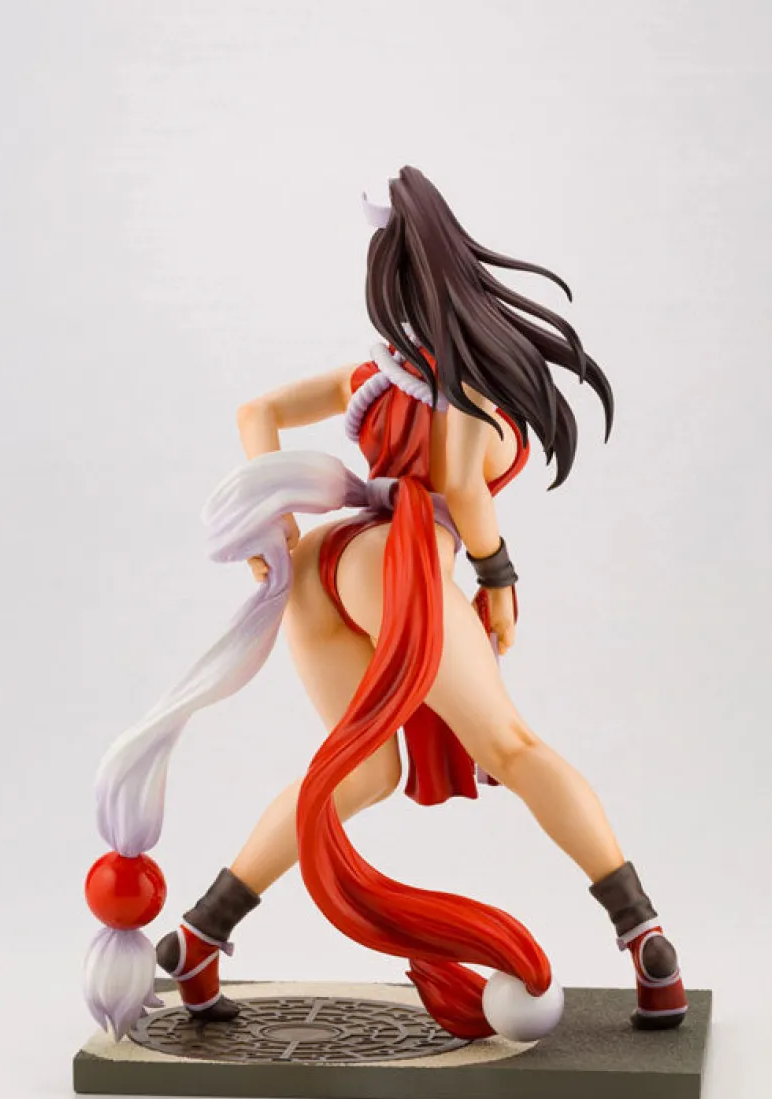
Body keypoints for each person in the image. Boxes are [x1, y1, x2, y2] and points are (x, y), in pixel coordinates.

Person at [85, 167, 687, 1043]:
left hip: (325, 562)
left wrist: (278, 523)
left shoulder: (378, 373)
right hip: (395, 564)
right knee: (512, 747)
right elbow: (460, 489)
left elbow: (257, 409)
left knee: (358, 772)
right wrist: (497, 576)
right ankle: (646, 938)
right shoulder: (470, 391)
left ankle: (201, 933)